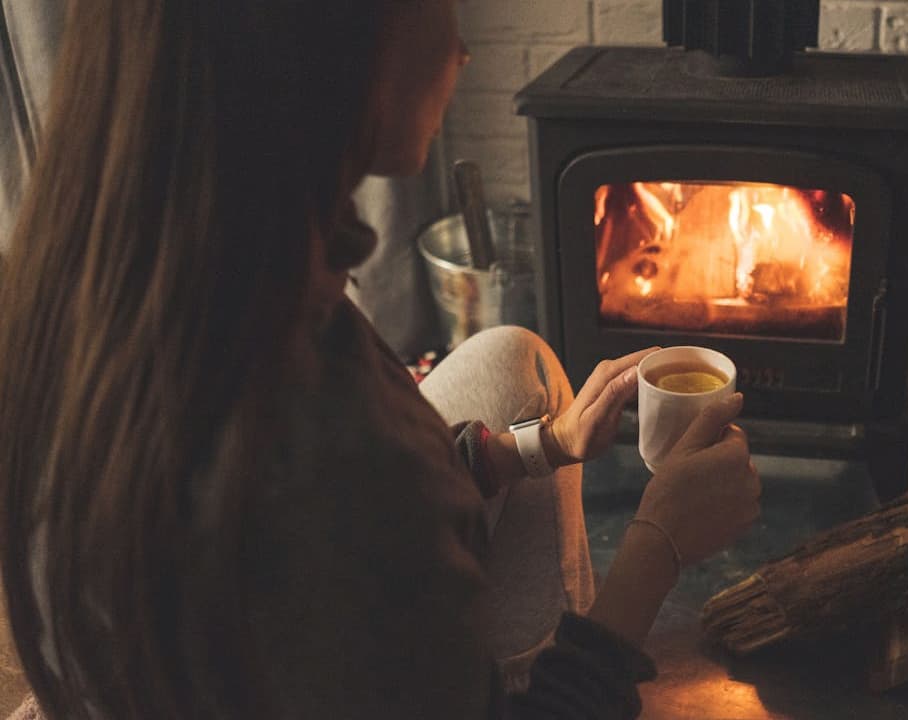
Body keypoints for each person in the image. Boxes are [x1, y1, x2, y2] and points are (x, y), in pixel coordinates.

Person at [0, 1, 762, 718]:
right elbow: (343, 510)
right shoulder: (345, 463)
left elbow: (307, 545)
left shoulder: (163, 268)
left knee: (515, 359)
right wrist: (657, 545)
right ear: (332, 38)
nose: (462, 50)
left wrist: (545, 448)